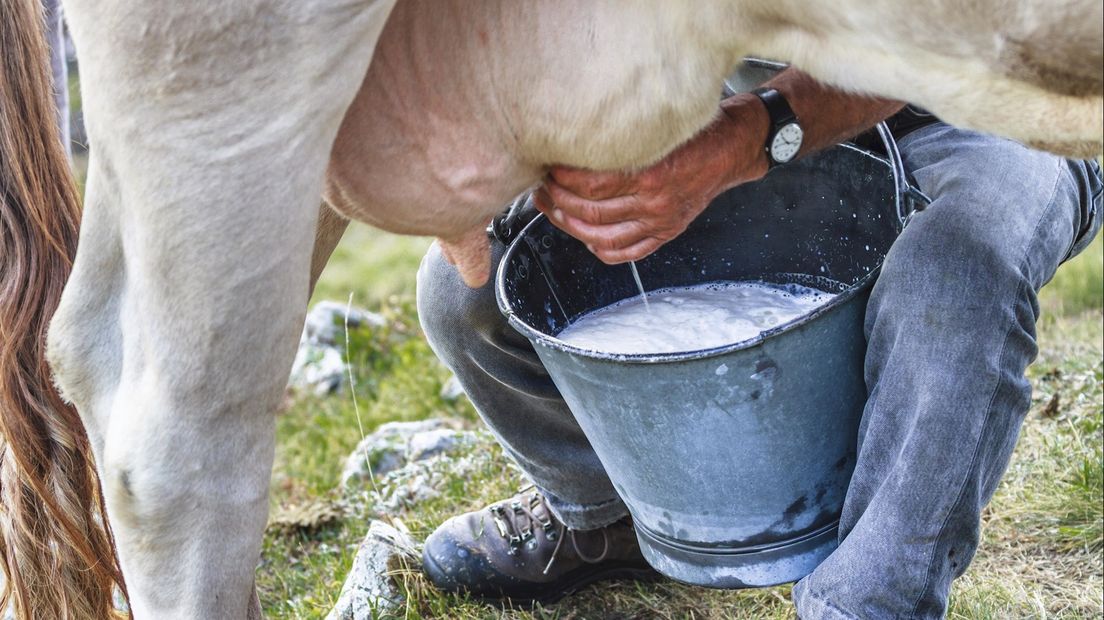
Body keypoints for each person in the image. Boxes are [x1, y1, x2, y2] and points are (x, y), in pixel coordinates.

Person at [414, 65, 1103, 618]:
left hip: (1000, 105)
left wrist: (744, 142)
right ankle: (612, 512)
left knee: (955, 278)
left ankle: (866, 601)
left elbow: (955, 37)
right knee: (470, 289)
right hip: (736, 91)